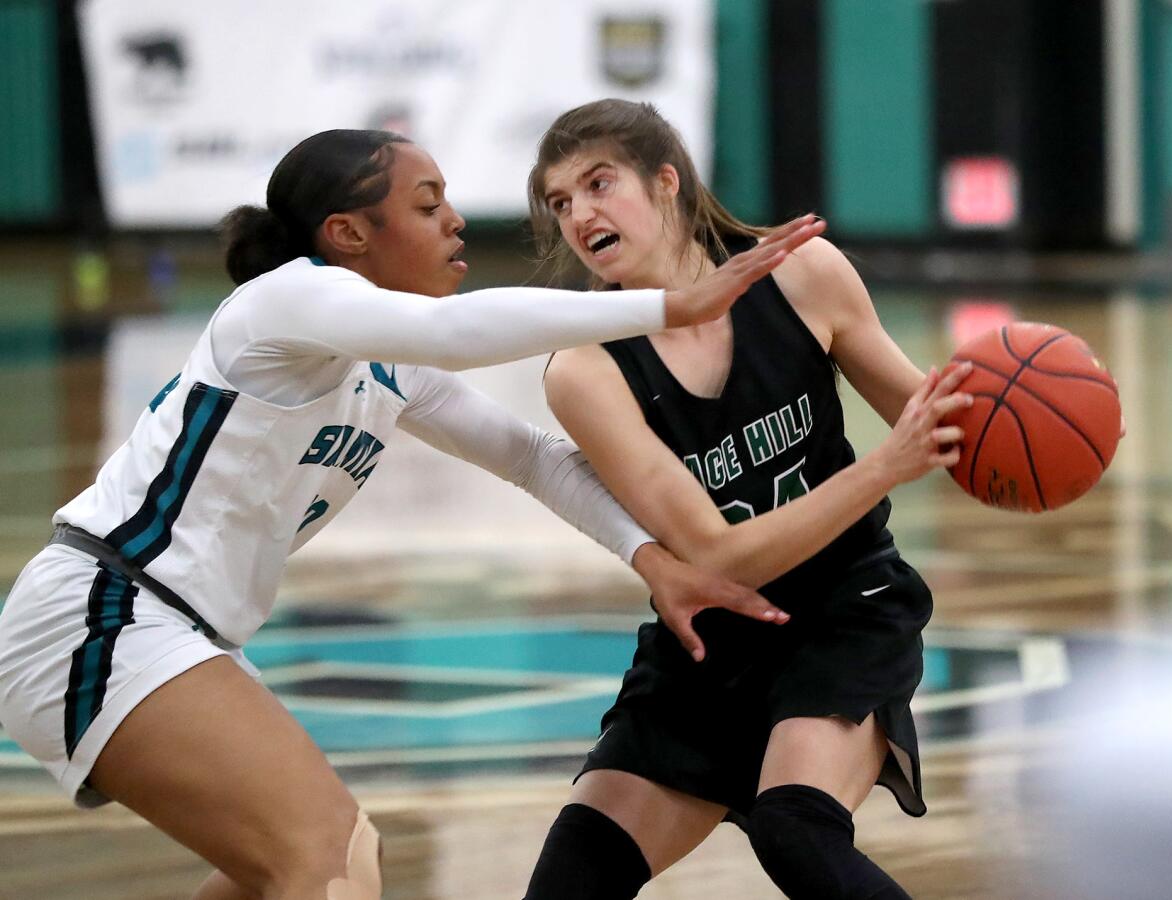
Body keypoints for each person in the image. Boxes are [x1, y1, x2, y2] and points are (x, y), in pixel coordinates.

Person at [0, 129, 828, 900]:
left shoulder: (389, 365)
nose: (456, 220)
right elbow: (453, 330)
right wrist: (671, 306)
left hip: (170, 627)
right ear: (348, 235)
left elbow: (533, 457)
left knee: (289, 872)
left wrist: (653, 559)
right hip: (102, 612)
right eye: (428, 205)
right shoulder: (280, 305)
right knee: (331, 855)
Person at [520, 100, 975, 899]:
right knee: (571, 883)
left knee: (793, 827)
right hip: (709, 640)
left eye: (598, 183)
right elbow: (718, 555)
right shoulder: (584, 369)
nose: (580, 213)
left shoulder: (801, 272)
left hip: (844, 610)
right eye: (560, 202)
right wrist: (882, 468)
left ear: (668, 182)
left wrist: (1018, 417)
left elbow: (939, 427)